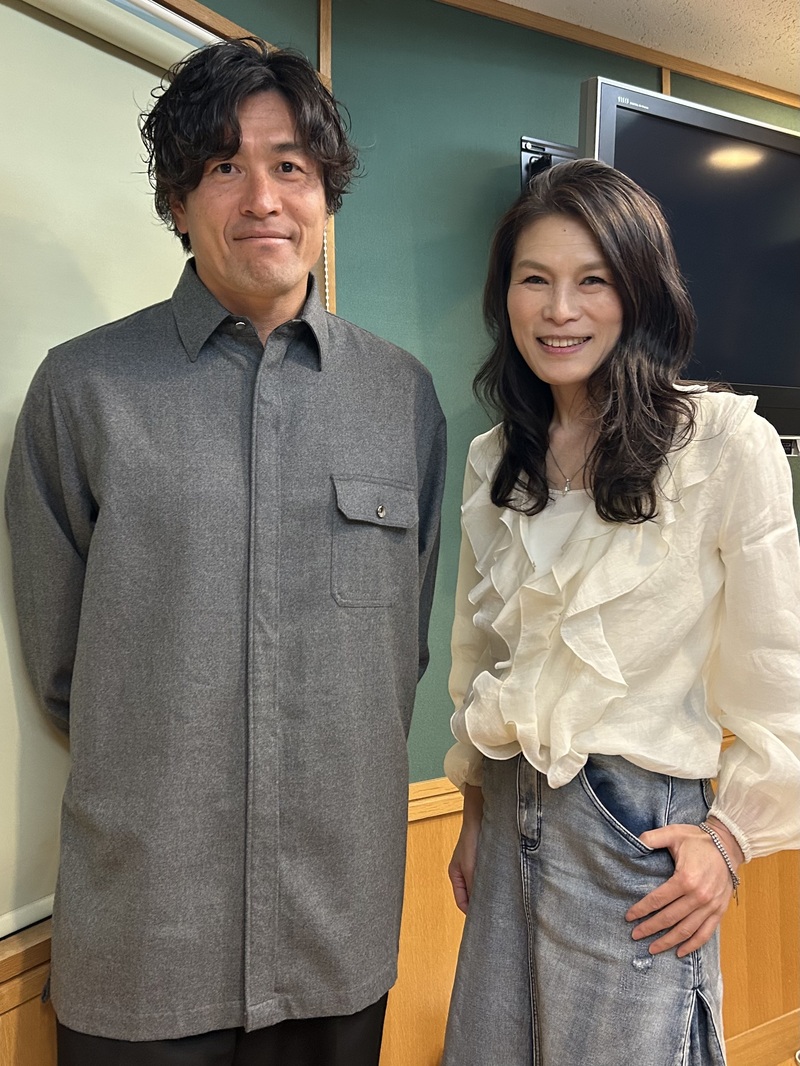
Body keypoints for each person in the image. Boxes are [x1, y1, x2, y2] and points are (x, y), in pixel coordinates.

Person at [5, 38, 446, 1066]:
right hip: (145, 934)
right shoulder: (82, 390)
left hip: (334, 930)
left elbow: (402, 652)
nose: (262, 198)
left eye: (290, 165)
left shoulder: (401, 399)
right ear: (177, 200)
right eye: (222, 166)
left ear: (325, 194)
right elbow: (65, 667)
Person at [441, 158, 800, 1066]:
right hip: (510, 806)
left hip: (637, 831)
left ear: (639, 292)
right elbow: (480, 655)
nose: (560, 310)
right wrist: (475, 814)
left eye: (592, 281)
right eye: (535, 280)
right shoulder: (495, 457)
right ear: (505, 296)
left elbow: (781, 672)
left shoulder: (724, 444)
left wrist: (731, 839)